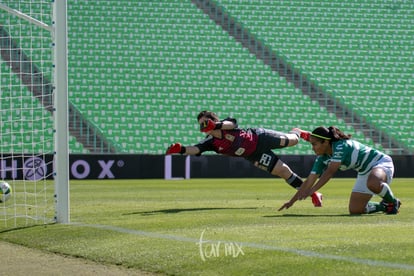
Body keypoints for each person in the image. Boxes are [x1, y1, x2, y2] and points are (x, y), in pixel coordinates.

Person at [166, 110, 322, 207]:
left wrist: (216, 125)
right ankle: (312, 193)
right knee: (283, 171)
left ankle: (297, 132)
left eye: (206, 122)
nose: (203, 126)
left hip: (260, 137)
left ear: (213, 121)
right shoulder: (211, 142)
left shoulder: (226, 124)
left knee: (293, 141)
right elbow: (196, 149)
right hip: (254, 155)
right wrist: (181, 149)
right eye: (201, 125)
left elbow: (231, 123)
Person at [278, 126, 401, 215]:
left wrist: (313, 191)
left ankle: (392, 202)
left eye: (314, 144)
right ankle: (383, 206)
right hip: (364, 172)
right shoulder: (322, 158)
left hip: (380, 163)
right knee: (355, 210)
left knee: (373, 183)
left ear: (326, 142)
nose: (312, 148)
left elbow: (330, 172)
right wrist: (292, 201)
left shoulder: (340, 146)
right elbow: (309, 180)